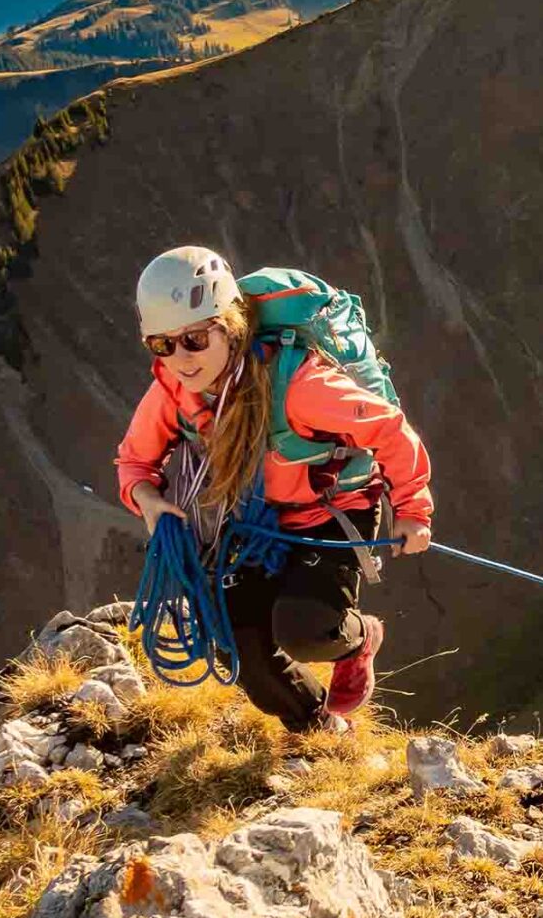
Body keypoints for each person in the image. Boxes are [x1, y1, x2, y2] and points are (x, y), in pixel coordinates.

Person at [115, 246, 435, 732]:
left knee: (305, 628)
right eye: (162, 345)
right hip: (254, 523)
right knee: (234, 640)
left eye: (195, 339)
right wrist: (147, 499)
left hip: (332, 512)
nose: (180, 358)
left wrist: (411, 509)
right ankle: (317, 727)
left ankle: (358, 639)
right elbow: (135, 460)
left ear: (229, 324)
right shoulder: (176, 392)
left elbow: (389, 430)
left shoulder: (301, 385)